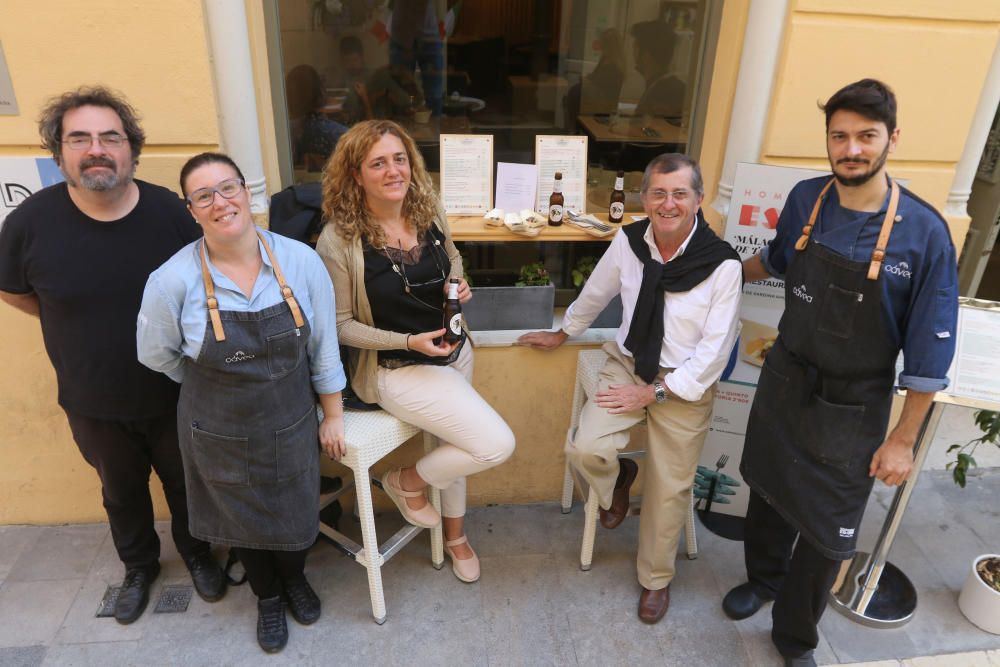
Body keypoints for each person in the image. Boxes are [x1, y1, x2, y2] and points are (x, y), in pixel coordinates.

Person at [723, 79, 959, 667]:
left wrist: (902, 439)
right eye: (840, 136)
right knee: (771, 493)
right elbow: (773, 261)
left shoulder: (925, 233)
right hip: (785, 379)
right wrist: (709, 277)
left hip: (856, 406)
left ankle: (795, 637)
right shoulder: (807, 199)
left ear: (891, 140)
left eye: (866, 137)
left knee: (830, 533)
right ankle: (763, 579)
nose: (851, 148)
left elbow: (930, 356)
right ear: (828, 140)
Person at [0, 86, 225, 625]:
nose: (96, 149)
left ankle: (198, 554)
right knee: (120, 492)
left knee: (186, 485)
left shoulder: (171, 213)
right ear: (60, 153)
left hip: (174, 391)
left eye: (110, 137)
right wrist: (67, 319)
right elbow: (13, 290)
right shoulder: (29, 223)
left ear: (131, 149)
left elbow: (205, 285)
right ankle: (139, 568)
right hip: (91, 396)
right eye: (80, 138)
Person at [137, 153, 347, 653]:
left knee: (297, 510)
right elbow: (156, 356)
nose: (220, 202)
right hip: (217, 428)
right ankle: (268, 596)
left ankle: (295, 578)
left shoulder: (300, 260)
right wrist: (215, 380)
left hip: (291, 417)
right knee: (242, 522)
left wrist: (333, 413)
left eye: (227, 188)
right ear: (191, 210)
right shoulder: (171, 281)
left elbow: (323, 347)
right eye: (204, 195)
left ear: (246, 193)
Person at [518, 153, 742, 623]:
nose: (668, 203)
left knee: (669, 489)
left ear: (698, 200)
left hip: (684, 385)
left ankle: (655, 581)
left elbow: (713, 354)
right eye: (658, 193)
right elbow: (596, 292)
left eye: (680, 193)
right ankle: (618, 477)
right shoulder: (629, 241)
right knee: (585, 450)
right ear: (644, 198)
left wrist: (654, 394)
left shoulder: (721, 265)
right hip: (629, 363)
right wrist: (564, 332)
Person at [316, 120, 515, 584]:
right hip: (398, 367)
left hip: (455, 352)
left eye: (399, 158)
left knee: (459, 438)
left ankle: (456, 536)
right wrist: (407, 342)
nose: (393, 171)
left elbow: (455, 259)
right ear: (355, 174)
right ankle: (405, 482)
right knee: (492, 444)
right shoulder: (339, 241)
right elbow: (341, 326)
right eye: (378, 162)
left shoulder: (428, 210)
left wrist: (461, 286)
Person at [629, 20, 686, 125]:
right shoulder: (666, 86)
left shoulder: (662, 92)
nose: (633, 53)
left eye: (635, 48)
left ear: (646, 56)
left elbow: (649, 133)